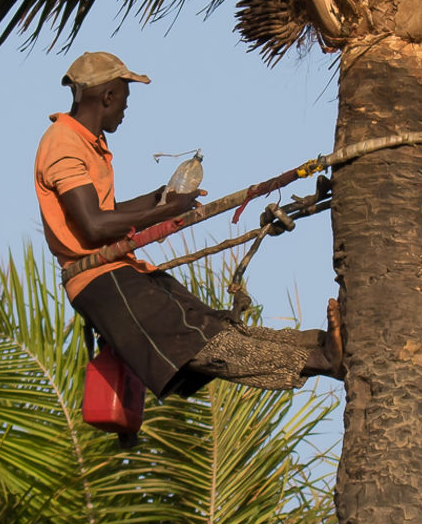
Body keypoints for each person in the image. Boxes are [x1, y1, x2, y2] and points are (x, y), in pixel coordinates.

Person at [35, 51, 341, 398]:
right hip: (98, 279)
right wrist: (164, 212)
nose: (125, 108)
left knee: (210, 326)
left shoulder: (87, 142)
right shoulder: (64, 143)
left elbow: (102, 211)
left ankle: (320, 343)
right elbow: (93, 226)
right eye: (124, 98)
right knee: (195, 344)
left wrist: (158, 199)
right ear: (108, 97)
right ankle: (320, 360)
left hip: (119, 269)